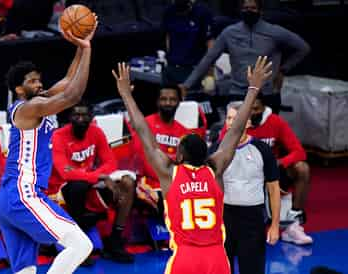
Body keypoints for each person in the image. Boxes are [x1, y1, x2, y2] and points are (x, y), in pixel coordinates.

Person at [112, 56, 272, 274]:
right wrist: (253, 88)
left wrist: (126, 96)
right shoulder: (214, 169)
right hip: (216, 255)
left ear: (178, 156)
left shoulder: (170, 173)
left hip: (186, 256)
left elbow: (143, 132)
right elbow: (235, 131)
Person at [0, 20, 97, 274]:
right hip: (22, 192)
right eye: (32, 82)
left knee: (25, 272)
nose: (39, 85)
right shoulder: (28, 108)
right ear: (19, 89)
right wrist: (90, 52)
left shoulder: (41, 99)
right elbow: (72, 96)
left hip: (8, 197)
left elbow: (69, 78)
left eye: (39, 80)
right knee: (81, 245)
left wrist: (83, 47)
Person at [179, 0, 310, 113]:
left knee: (266, 137)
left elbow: (303, 48)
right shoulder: (229, 33)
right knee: (236, 136)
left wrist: (283, 69)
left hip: (266, 94)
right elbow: (208, 59)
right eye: (246, 8)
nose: (249, 11)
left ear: (260, 11)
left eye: (253, 8)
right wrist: (187, 84)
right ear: (241, 10)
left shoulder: (275, 32)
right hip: (238, 93)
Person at [48, 101, 135, 263]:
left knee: (128, 183)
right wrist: (100, 177)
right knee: (78, 187)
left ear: (91, 117)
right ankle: (77, 246)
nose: (80, 119)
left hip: (89, 182)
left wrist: (99, 177)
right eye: (76, 115)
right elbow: (65, 172)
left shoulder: (96, 132)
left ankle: (115, 241)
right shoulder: (59, 136)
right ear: (70, 118)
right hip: (62, 188)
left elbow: (111, 162)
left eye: (84, 115)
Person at [211, 100, 280, 274]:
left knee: (252, 270)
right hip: (224, 217)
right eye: (229, 118)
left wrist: (275, 225)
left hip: (252, 219)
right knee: (222, 269)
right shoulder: (215, 150)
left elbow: (273, 189)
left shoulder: (262, 150)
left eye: (237, 118)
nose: (232, 123)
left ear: (248, 122)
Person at [249, 95, 312, 244]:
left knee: (302, 169)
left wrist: (279, 162)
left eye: (256, 109)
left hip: (272, 173)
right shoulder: (237, 121)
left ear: (264, 108)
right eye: (249, 109)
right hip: (246, 175)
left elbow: (299, 152)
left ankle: (293, 225)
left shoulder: (275, 122)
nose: (252, 113)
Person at [131, 85, 190, 212]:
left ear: (180, 101)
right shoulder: (145, 125)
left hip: (174, 184)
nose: (168, 103)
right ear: (157, 101)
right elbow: (142, 160)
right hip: (148, 183)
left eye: (173, 99)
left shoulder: (184, 132)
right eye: (164, 99)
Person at [161, 0, 214, 86]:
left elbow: (210, 43)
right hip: (172, 68)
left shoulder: (203, 12)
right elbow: (168, 37)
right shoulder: (168, 12)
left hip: (194, 70)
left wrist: (210, 72)